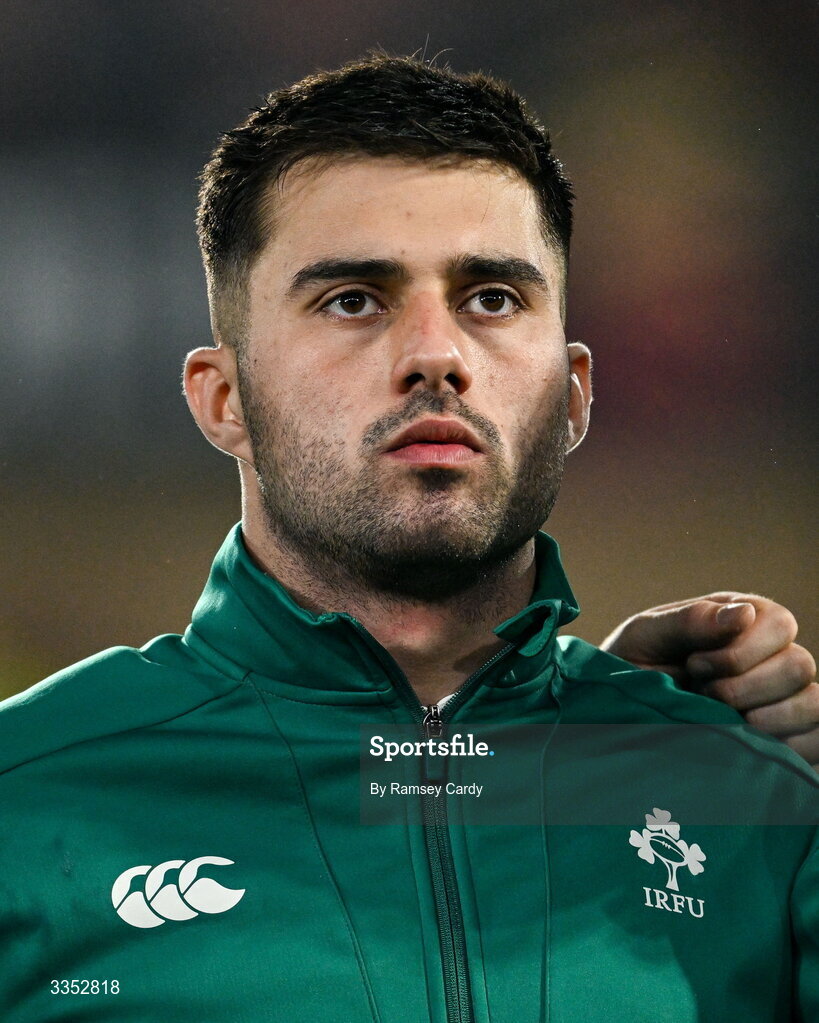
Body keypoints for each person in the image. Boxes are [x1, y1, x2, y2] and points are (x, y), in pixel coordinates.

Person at [0, 55, 816, 1021]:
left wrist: (668, 749)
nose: (436, 354)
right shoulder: (28, 805)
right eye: (353, 299)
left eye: (492, 299)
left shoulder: (757, 809)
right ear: (224, 399)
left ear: (574, 393)